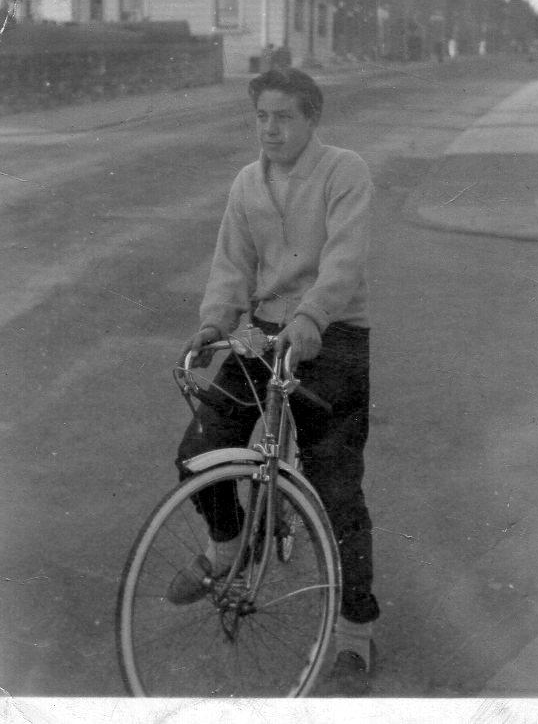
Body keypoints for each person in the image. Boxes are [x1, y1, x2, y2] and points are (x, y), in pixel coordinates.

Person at [172, 67, 379, 696]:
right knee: (197, 452)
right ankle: (227, 546)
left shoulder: (345, 171)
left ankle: (354, 632)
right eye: (262, 116)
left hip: (332, 334)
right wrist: (214, 323)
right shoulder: (246, 182)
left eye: (284, 116)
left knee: (336, 490)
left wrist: (313, 315)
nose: (270, 128)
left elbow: (345, 260)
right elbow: (232, 261)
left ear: (312, 119)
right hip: (263, 333)